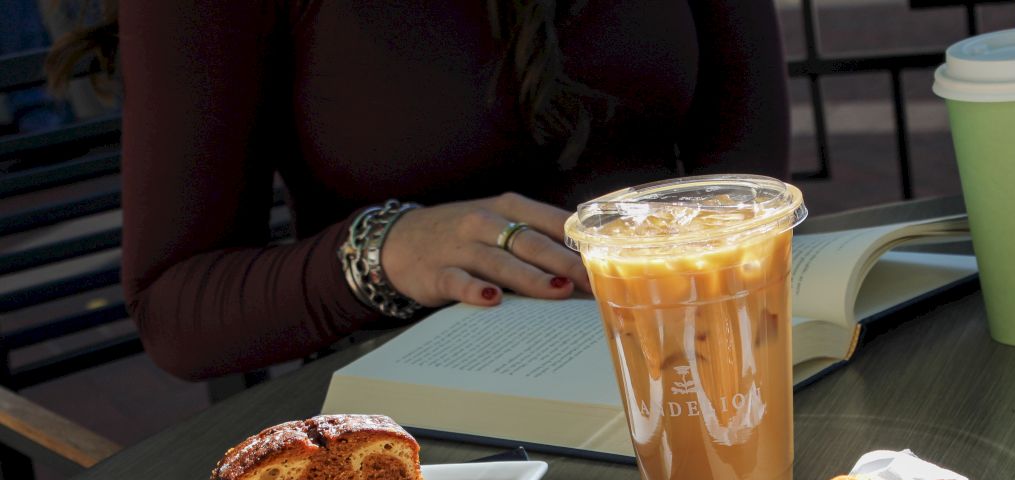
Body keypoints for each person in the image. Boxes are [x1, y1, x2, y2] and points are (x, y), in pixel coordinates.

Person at [51, 1, 790, 380]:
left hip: (696, 351)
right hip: (435, 434)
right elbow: (174, 307)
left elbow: (750, 171)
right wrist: (384, 255)